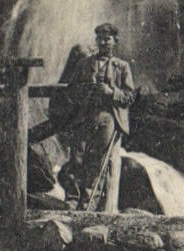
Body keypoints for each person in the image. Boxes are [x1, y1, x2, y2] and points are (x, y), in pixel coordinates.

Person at [56, 21, 136, 210]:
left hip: (108, 117)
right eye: (99, 39)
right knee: (76, 157)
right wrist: (85, 89)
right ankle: (71, 200)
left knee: (98, 162)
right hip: (85, 115)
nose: (103, 43)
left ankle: (87, 204)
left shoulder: (122, 67)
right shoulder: (84, 64)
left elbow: (130, 96)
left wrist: (111, 92)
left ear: (114, 41)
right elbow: (71, 90)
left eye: (107, 39)